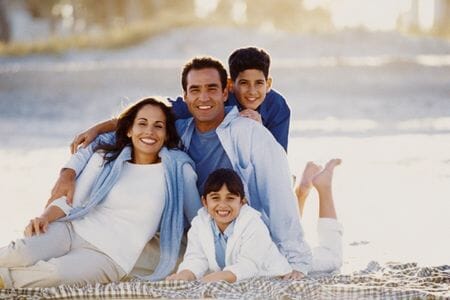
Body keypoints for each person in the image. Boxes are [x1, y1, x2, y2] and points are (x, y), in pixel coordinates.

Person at [49, 56, 311, 279]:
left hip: (240, 236)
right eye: (195, 90)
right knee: (116, 253)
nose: (203, 97)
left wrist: (296, 261)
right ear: (185, 96)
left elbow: (278, 197)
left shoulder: (250, 133)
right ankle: (64, 238)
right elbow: (117, 135)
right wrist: (68, 173)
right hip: (186, 233)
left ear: (225, 91)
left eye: (211, 89)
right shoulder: (179, 129)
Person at [0, 98, 200, 288]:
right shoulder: (105, 159)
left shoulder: (178, 171)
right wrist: (44, 217)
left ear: (166, 134)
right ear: (129, 129)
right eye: (142, 123)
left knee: (55, 273)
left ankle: (4, 280)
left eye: (158, 126)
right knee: (20, 252)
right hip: (72, 231)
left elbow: (198, 220)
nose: (149, 131)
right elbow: (72, 202)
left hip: (110, 256)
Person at [69, 47, 290, 153]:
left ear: (268, 84)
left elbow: (277, 158)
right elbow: (151, 111)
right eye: (244, 83)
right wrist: (97, 129)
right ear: (230, 85)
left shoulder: (278, 107)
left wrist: (260, 131)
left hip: (258, 165)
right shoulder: (213, 98)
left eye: (259, 84)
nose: (251, 92)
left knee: (286, 183)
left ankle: (303, 191)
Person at [166, 168, 292, 283]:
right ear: (205, 202)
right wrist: (185, 275)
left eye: (230, 198)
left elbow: (248, 265)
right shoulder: (199, 224)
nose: (223, 205)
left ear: (242, 202)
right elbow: (196, 258)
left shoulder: (253, 224)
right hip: (230, 279)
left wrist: (217, 277)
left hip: (268, 276)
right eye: (215, 198)